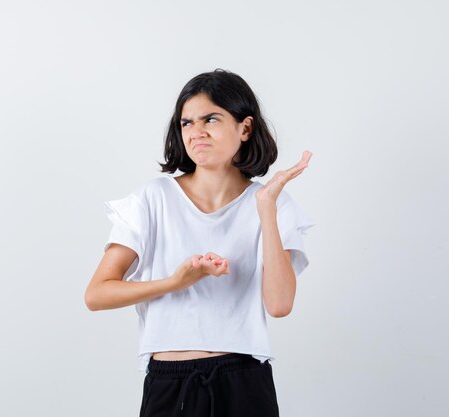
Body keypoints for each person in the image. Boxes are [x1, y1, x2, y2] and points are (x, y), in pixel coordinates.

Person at [85, 68, 315, 417]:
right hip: (170, 382)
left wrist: (266, 209)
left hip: (244, 378)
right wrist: (176, 282)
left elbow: (280, 304)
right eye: (186, 122)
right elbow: (97, 294)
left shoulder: (272, 202)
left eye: (211, 119)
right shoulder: (152, 199)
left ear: (245, 128)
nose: (197, 132)